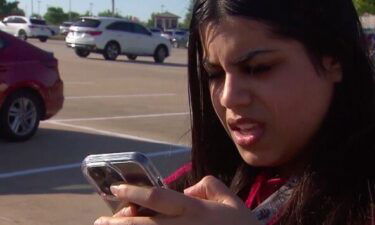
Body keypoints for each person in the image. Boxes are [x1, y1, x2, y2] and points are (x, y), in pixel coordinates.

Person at [93, 0, 375, 224]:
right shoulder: (201, 182)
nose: (229, 97)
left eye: (258, 68)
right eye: (214, 73)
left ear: (334, 60)